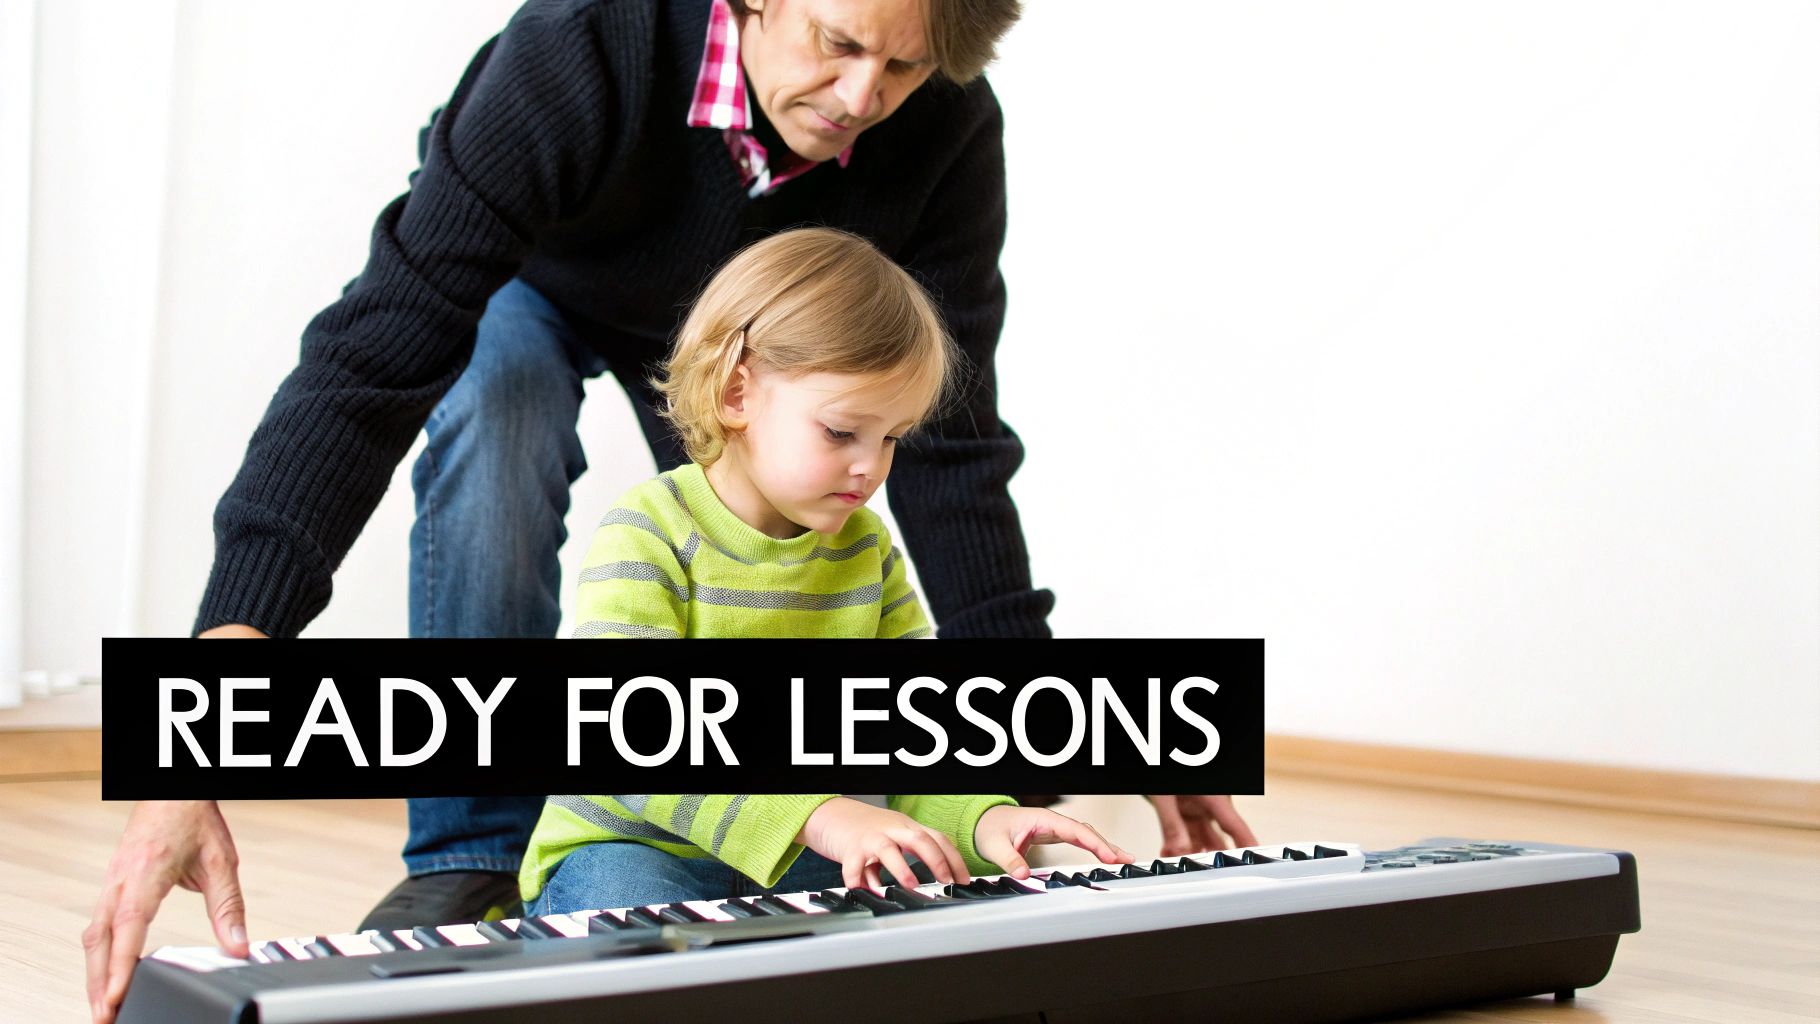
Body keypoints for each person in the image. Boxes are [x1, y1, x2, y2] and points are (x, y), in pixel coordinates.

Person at [85, 1, 1253, 1020]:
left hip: (757, 348)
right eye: (839, 44)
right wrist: (201, 726)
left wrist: (1089, 735)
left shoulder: (941, 125)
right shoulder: (577, 53)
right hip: (535, 282)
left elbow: (948, 441)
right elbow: (369, 365)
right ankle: (473, 848)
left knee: (780, 536)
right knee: (501, 398)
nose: (862, 98)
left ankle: (761, 820)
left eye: (898, 70)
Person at [525, 227, 1131, 914]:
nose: (870, 466)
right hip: (637, 847)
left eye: (892, 437)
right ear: (734, 393)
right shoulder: (649, 532)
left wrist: (987, 818)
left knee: (939, 886)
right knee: (626, 917)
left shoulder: (865, 550)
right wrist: (817, 815)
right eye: (842, 432)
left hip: (803, 851)